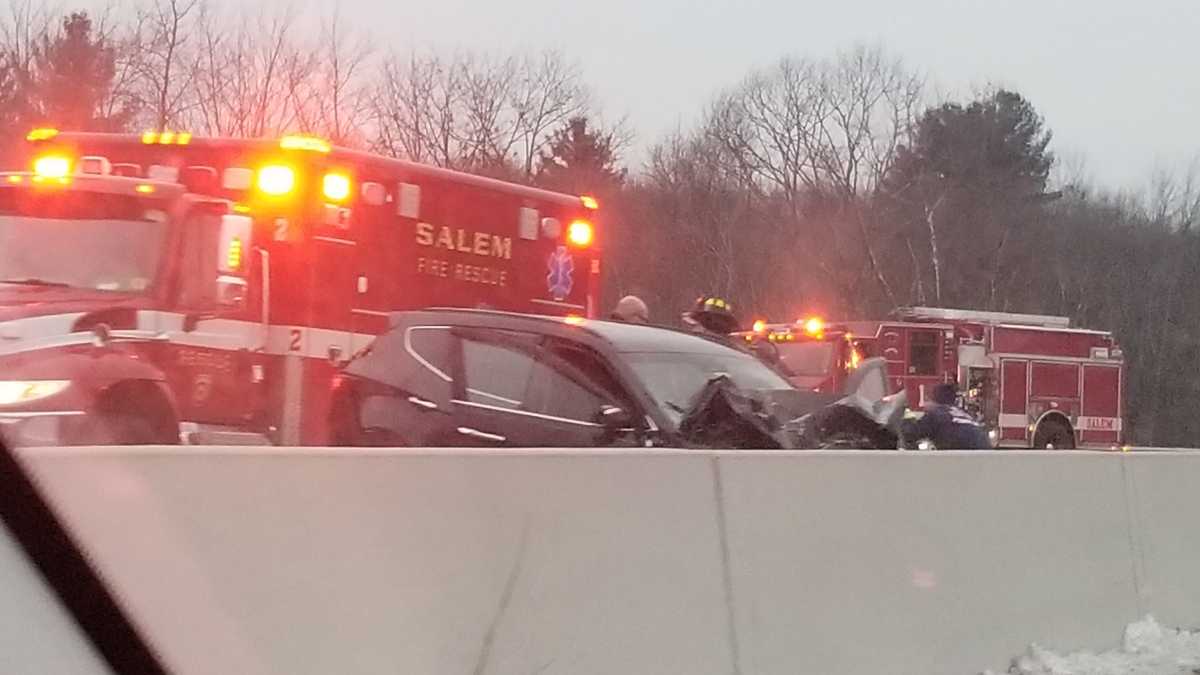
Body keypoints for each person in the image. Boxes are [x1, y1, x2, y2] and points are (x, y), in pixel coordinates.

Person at [901, 382, 992, 450]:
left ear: (935, 401)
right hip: (985, 452)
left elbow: (910, 433)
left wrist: (906, 415)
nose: (925, 404)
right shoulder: (964, 414)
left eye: (927, 399)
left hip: (962, 458)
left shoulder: (936, 415)